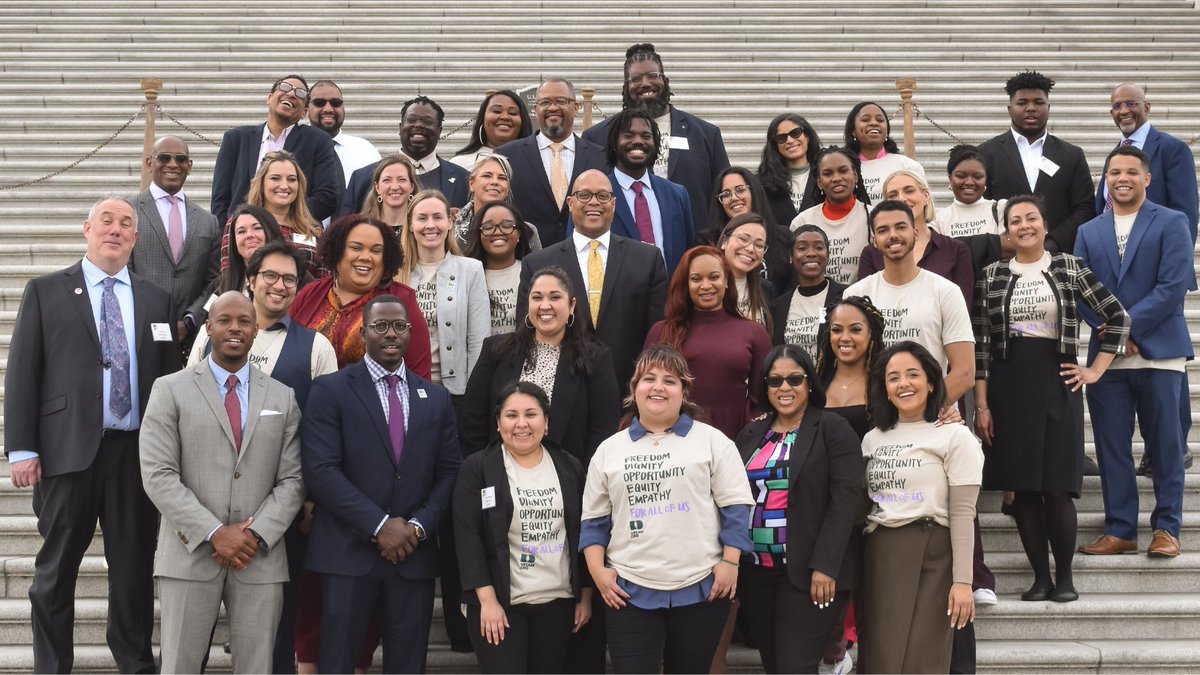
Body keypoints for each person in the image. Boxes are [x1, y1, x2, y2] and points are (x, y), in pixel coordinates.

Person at [5, 196, 181, 673]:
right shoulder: (45, 291)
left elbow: (169, 380)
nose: (116, 230)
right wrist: (22, 448)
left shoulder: (156, 299)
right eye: (107, 220)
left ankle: (134, 664)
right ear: (87, 228)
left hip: (135, 457)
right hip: (66, 455)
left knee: (132, 574)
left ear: (136, 239)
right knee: (55, 573)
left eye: (127, 223)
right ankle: (51, 667)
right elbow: (22, 373)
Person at [974, 195, 1129, 602]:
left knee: (1057, 486)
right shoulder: (991, 275)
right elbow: (982, 347)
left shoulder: (1069, 267)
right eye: (1015, 221)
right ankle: (1039, 577)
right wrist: (983, 405)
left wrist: (1094, 370)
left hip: (1057, 379)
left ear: (1045, 224)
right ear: (1005, 231)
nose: (1024, 225)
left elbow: (1117, 316)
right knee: (1023, 488)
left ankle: (1065, 578)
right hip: (1008, 386)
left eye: (1032, 218)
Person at [139, 292, 305, 674]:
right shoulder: (170, 389)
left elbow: (293, 479)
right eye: (225, 320)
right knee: (179, 665)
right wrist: (215, 532)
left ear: (256, 329)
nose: (235, 328)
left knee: (257, 668)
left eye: (244, 321)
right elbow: (158, 474)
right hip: (189, 555)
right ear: (209, 327)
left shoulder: (283, 397)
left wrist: (255, 534)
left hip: (259, 557)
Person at [302, 295, 462, 673]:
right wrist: (379, 526)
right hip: (347, 553)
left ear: (409, 333)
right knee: (338, 663)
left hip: (412, 555)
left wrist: (416, 528)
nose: (390, 334)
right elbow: (321, 470)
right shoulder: (331, 390)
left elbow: (450, 471)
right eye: (380, 326)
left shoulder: (436, 398)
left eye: (399, 326)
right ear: (364, 332)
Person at [581, 344, 754, 674]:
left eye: (670, 380)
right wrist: (598, 573)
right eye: (649, 378)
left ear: (684, 391)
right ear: (634, 389)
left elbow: (735, 508)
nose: (658, 387)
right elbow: (594, 521)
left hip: (701, 589)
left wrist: (731, 562)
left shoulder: (714, 442)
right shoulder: (608, 450)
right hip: (627, 592)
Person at [1074, 146, 1192, 559]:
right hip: (1109, 360)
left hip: (1159, 353)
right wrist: (1113, 334)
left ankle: (1166, 529)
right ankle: (1121, 528)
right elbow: (1081, 291)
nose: (1121, 178)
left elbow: (1173, 285)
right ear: (1105, 181)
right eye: (1113, 173)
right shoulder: (1089, 231)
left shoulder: (1173, 222)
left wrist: (1126, 328)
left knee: (1165, 446)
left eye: (1130, 171)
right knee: (1111, 446)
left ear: (1147, 178)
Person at [734, 345, 862, 673]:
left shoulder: (833, 429)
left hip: (808, 574)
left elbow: (846, 500)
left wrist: (826, 566)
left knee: (795, 667)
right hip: (757, 572)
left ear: (809, 383)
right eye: (775, 381)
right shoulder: (751, 434)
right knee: (776, 666)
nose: (785, 388)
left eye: (794, 379)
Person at [859, 341, 982, 673]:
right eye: (893, 377)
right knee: (880, 658)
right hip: (881, 552)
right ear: (883, 389)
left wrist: (963, 582)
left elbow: (962, 513)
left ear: (931, 382)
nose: (904, 384)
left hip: (932, 553)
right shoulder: (872, 439)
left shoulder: (956, 438)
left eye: (913, 374)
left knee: (922, 658)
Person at [453, 382, 593, 673]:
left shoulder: (569, 467)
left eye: (531, 414)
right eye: (511, 415)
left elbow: (583, 532)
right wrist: (488, 601)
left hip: (558, 602)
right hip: (500, 604)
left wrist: (586, 596)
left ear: (547, 422)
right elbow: (468, 537)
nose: (521, 424)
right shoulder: (477, 468)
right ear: (497, 423)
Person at [1097, 82, 1199, 478]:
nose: (1124, 110)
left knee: (1167, 356)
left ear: (1147, 107)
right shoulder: (1115, 156)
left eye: (1131, 104)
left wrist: (1171, 267)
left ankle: (1173, 443)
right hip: (1118, 273)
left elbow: (1187, 214)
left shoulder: (1171, 148)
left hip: (1160, 272)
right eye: (1117, 106)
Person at [518, 170, 668, 397]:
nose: (594, 202)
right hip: (559, 389)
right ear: (570, 203)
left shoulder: (648, 259)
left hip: (627, 389)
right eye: (584, 195)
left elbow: (657, 333)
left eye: (603, 196)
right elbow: (527, 332)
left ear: (614, 203)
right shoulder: (537, 263)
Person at [461, 265, 621, 461]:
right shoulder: (496, 350)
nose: (545, 306)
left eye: (555, 297)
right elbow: (471, 419)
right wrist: (483, 470)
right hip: (499, 472)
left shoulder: (595, 358)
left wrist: (585, 479)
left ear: (571, 306)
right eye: (537, 297)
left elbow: (603, 428)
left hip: (568, 478)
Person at [844, 201, 975, 411]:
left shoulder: (945, 291)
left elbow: (965, 372)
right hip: (875, 419)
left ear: (915, 233)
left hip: (934, 418)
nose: (893, 235)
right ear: (874, 241)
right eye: (883, 230)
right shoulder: (855, 295)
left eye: (901, 227)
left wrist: (920, 413)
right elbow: (850, 369)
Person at [582, 43, 730, 225]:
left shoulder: (706, 134)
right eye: (636, 78)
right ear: (625, 87)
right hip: (622, 245)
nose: (645, 83)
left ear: (665, 81)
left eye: (653, 76)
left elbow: (724, 194)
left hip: (692, 245)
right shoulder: (597, 137)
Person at [644, 246, 772, 441]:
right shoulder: (660, 332)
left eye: (714, 277)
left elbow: (762, 399)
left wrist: (748, 437)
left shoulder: (754, 333)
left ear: (727, 281)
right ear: (686, 284)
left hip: (734, 440)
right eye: (696, 279)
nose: (706, 285)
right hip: (670, 440)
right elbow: (645, 391)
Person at [289, 214, 432, 373]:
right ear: (338, 251)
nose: (365, 257)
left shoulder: (403, 299)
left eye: (376, 250)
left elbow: (418, 373)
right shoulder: (311, 293)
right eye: (356, 247)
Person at [978, 70, 1095, 254]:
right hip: (1005, 256)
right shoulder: (986, 153)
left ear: (1049, 107)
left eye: (1038, 102)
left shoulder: (1072, 155)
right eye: (1022, 103)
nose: (1031, 108)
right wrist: (1006, 242)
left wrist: (1054, 242)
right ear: (1010, 108)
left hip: (1059, 256)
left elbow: (1085, 208)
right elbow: (980, 206)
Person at [211, 75, 342, 226]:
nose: (291, 94)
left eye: (300, 93)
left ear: (304, 112)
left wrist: (282, 217)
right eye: (285, 87)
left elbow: (327, 198)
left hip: (292, 234)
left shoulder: (318, 141)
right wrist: (228, 234)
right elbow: (220, 200)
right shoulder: (236, 139)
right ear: (269, 98)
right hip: (242, 234)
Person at [395, 190, 490, 398]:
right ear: (410, 225)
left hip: (457, 392)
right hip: (406, 389)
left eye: (437, 217)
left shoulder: (471, 270)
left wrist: (474, 393)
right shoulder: (395, 274)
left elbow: (478, 340)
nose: (430, 225)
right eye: (422, 218)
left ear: (450, 222)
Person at [130, 135, 222, 350]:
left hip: (189, 338)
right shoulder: (129, 211)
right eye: (164, 157)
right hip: (139, 332)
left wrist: (191, 318)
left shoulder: (208, 221)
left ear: (189, 166)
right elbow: (123, 271)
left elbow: (214, 281)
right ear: (149, 163)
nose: (173, 164)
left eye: (180, 159)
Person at [496, 77, 608, 246]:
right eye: (545, 102)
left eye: (561, 101)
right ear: (535, 109)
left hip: (585, 256)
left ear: (576, 107)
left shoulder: (601, 157)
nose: (553, 107)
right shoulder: (507, 156)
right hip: (528, 257)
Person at [858, 170, 974, 305]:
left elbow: (962, 308)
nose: (901, 198)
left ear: (925, 196)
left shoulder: (956, 250)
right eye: (893, 195)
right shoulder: (871, 253)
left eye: (909, 191)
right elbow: (864, 308)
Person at [342, 95, 472, 216]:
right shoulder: (362, 178)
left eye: (427, 121)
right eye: (411, 120)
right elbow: (341, 231)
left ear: (439, 131)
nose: (418, 125)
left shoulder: (463, 180)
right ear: (400, 127)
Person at [605, 107, 695, 275]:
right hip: (617, 298)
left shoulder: (677, 194)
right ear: (614, 144)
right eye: (628, 135)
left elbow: (689, 251)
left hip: (669, 297)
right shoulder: (596, 194)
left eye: (646, 136)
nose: (638, 141)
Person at [218, 151, 322, 275]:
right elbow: (228, 272)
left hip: (307, 294)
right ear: (261, 183)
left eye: (292, 179)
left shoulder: (313, 228)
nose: (284, 186)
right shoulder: (241, 221)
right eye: (275, 178)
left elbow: (324, 275)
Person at [789, 146, 873, 285]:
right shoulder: (802, 221)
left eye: (843, 171)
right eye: (828, 173)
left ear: (856, 175)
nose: (836, 178)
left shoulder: (874, 218)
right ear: (819, 182)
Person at [706, 167, 793, 291]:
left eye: (740, 190)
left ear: (755, 192)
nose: (734, 198)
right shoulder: (707, 241)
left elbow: (791, 285)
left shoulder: (783, 236)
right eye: (726, 194)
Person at [936, 144, 1012, 279]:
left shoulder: (1001, 208)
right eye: (961, 176)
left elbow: (1011, 247)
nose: (969, 182)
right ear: (950, 178)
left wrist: (956, 248)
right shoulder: (939, 220)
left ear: (985, 179)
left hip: (996, 291)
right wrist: (992, 244)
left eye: (977, 176)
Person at [770, 225, 847, 357]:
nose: (811, 253)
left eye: (819, 247)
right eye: (802, 248)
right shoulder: (778, 306)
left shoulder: (846, 296)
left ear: (828, 255)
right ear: (791, 256)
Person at [462, 200, 537, 335]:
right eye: (488, 227)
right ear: (479, 234)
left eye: (507, 225)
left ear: (519, 233)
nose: (497, 232)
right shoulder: (466, 277)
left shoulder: (534, 274)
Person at [452, 154, 543, 251]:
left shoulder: (527, 230)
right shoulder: (450, 226)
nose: (495, 182)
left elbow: (536, 265)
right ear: (471, 184)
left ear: (508, 189)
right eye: (487, 176)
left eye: (502, 178)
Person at [843, 101, 926, 203]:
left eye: (880, 120)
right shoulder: (843, 169)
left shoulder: (908, 166)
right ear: (853, 130)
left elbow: (924, 209)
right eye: (865, 119)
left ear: (887, 130)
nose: (874, 123)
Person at [306, 79, 382, 188]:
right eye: (319, 103)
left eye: (335, 103)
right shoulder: (293, 147)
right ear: (306, 108)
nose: (328, 109)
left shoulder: (366, 151)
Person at [757, 113, 823, 226]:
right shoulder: (761, 183)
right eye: (781, 138)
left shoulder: (826, 175)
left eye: (795, 133)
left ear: (807, 137)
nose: (790, 140)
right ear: (775, 145)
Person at [716, 213, 777, 329]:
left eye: (759, 245)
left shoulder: (765, 289)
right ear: (724, 241)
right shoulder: (707, 285)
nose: (750, 249)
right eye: (743, 239)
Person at [212, 204, 287, 297]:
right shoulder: (221, 284)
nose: (249, 235)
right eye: (241, 231)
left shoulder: (297, 276)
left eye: (257, 228)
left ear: (271, 232)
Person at [450, 89, 535, 170]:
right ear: (482, 119)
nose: (505, 117)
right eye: (497, 111)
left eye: (512, 113)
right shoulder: (458, 165)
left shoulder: (536, 162)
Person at [359, 153, 422, 230]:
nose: (395, 187)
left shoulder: (421, 227)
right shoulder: (362, 227)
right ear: (377, 187)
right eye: (387, 180)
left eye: (402, 180)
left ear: (412, 186)